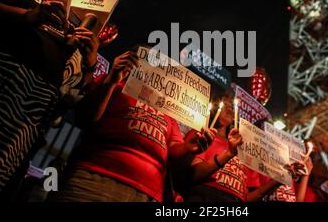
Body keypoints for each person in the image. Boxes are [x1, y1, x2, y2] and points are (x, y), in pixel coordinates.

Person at [0, 0, 99, 200]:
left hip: (31, 98)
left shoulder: (78, 24)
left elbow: (74, 89)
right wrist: (23, 16)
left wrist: (90, 60)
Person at [51, 50, 217, 202]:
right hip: (95, 178)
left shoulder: (166, 109)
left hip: (148, 192)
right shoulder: (115, 85)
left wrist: (188, 147)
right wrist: (112, 81)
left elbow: (173, 149)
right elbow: (84, 118)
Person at [183, 92, 294, 202]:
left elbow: (248, 197)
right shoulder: (202, 135)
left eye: (232, 106)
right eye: (224, 105)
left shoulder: (242, 147)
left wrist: (278, 180)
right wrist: (227, 154)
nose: (229, 109)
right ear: (214, 109)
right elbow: (192, 175)